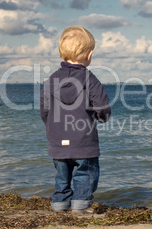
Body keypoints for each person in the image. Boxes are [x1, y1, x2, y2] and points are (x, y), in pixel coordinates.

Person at [40, 26, 111, 215]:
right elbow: (101, 104)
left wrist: (52, 128)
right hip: (83, 140)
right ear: (89, 54)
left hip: (57, 140)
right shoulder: (89, 78)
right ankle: (80, 205)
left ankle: (60, 204)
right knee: (85, 172)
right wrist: (102, 117)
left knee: (62, 175)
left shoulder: (52, 80)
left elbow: (44, 109)